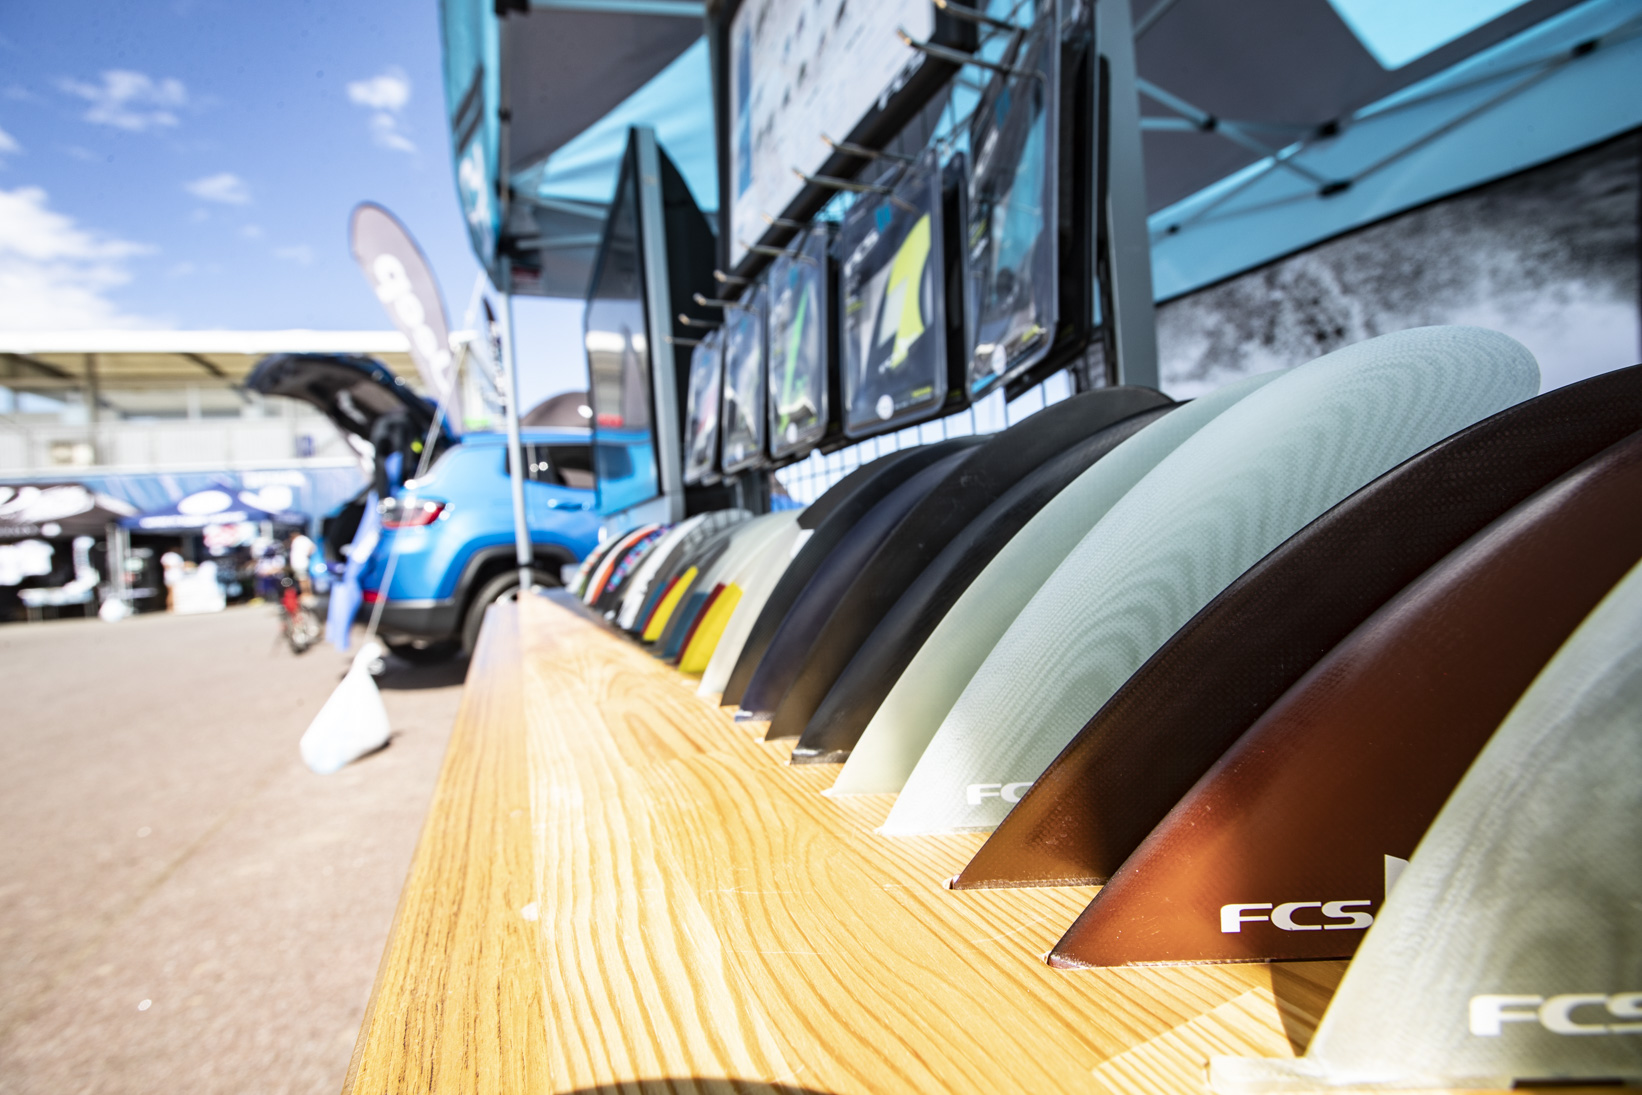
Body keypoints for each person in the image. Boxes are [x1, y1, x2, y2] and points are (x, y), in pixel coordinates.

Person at [286, 530, 317, 597]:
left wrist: (307, 554)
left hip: (300, 563)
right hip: (300, 563)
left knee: (302, 579)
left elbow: (313, 547)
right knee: (304, 578)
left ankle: (305, 593)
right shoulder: (300, 540)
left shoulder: (302, 539)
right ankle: (308, 593)